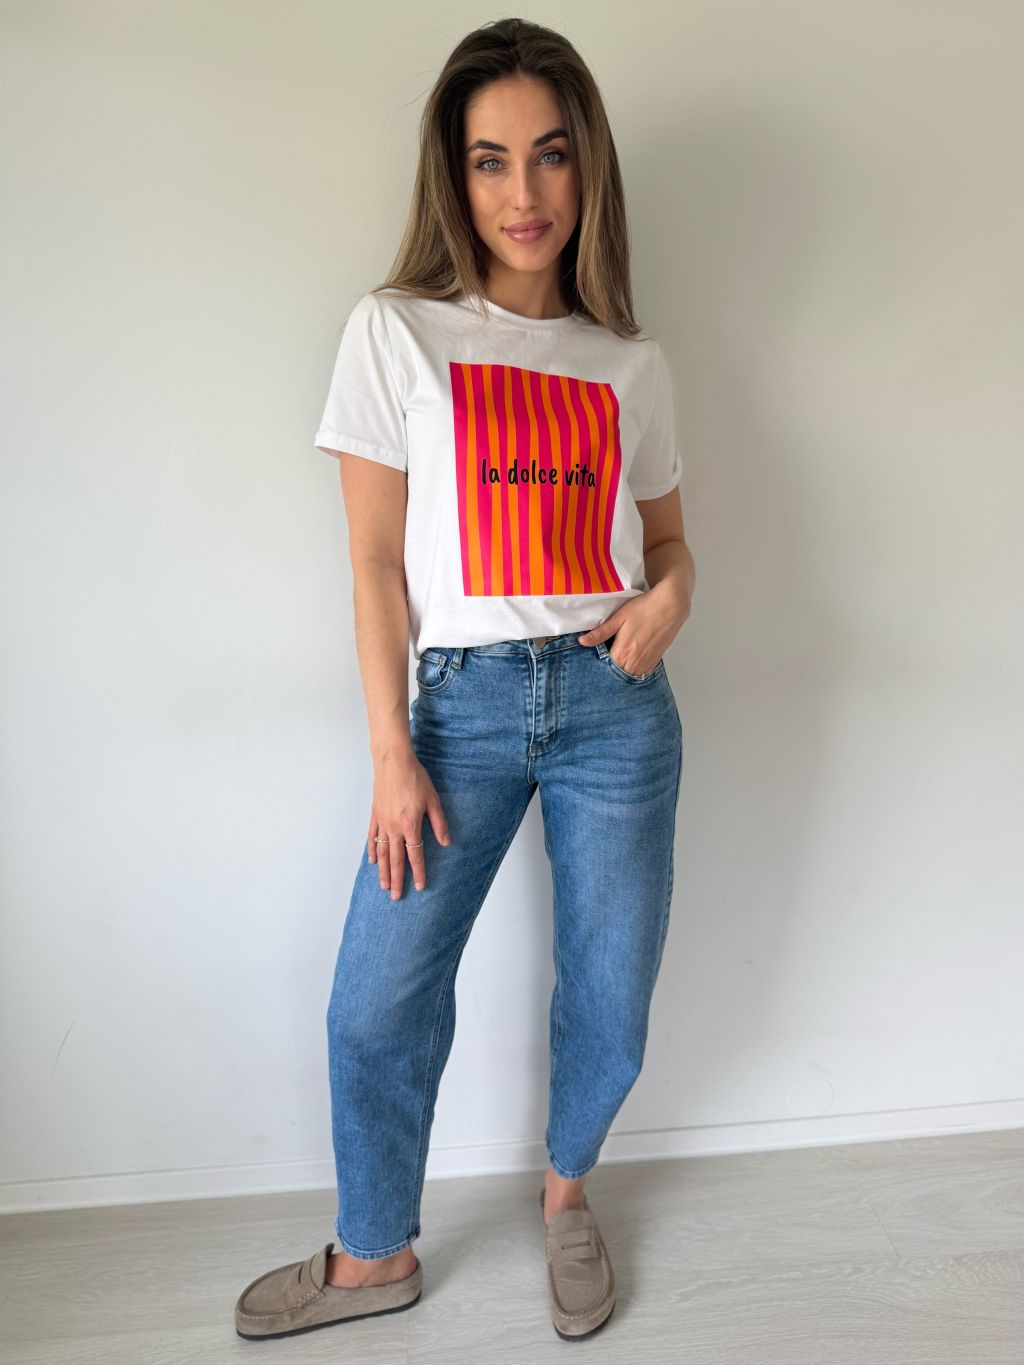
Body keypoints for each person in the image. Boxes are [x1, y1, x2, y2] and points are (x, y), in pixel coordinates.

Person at [234, 15, 695, 1345]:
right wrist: (392, 750)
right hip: (459, 713)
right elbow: (375, 562)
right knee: (378, 995)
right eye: (490, 159)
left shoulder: (631, 362)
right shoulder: (398, 333)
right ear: (454, 173)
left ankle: (566, 1196)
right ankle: (373, 1253)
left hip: (615, 707)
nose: (523, 191)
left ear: (587, 165)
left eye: (550, 154)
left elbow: (670, 549)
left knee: (610, 988)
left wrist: (673, 598)